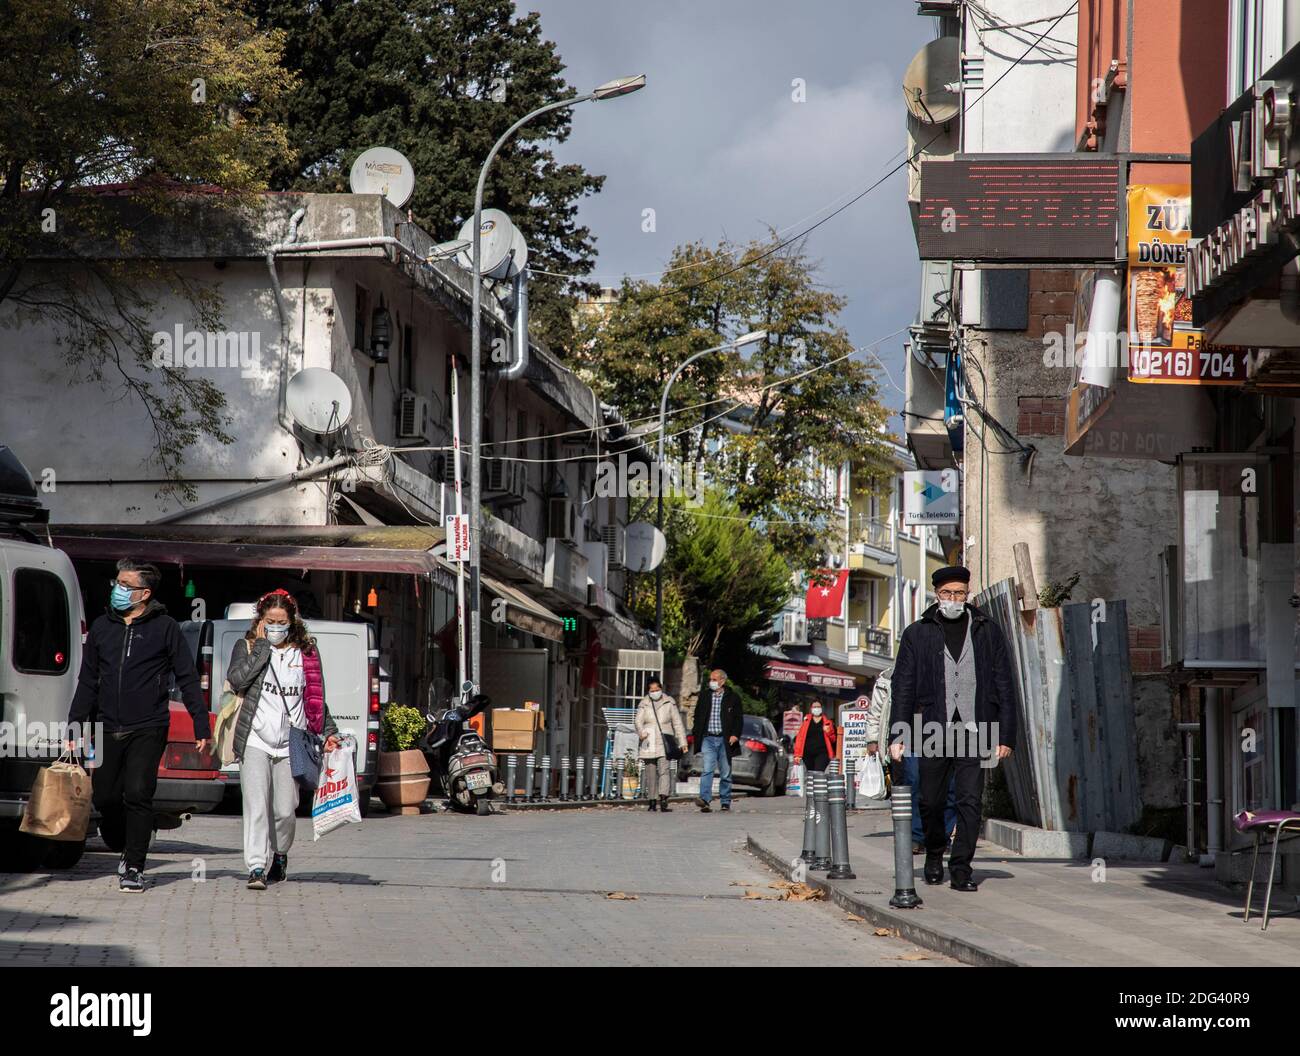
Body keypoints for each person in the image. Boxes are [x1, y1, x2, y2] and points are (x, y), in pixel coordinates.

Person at [68, 558, 212, 893]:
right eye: (116, 583)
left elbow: (188, 679)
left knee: (138, 792)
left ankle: (134, 865)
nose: (117, 589)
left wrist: (200, 726)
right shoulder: (103, 627)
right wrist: (74, 727)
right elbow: (87, 681)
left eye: (125, 585)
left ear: (144, 593)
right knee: (104, 796)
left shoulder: (166, 628)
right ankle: (126, 841)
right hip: (105, 725)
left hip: (148, 725)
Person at [888, 566, 1016, 892]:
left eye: (959, 593)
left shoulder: (987, 631)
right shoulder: (918, 633)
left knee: (970, 801)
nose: (954, 599)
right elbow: (902, 685)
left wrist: (1006, 735)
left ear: (968, 594)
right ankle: (934, 852)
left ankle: (961, 869)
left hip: (976, 728)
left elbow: (1005, 684)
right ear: (937, 595)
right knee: (930, 801)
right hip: (933, 727)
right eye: (948, 593)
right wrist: (898, 734)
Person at [226, 589, 340, 891]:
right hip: (255, 738)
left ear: (292, 622)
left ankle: (280, 854)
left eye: (281, 622)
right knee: (255, 805)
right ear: (260, 620)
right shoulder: (248, 646)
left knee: (284, 810)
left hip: (292, 742)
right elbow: (238, 680)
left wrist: (329, 731)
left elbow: (315, 699)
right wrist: (262, 646)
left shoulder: (306, 654)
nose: (276, 626)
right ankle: (256, 866)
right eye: (270, 621)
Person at [865, 666, 956, 854]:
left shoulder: (942, 667)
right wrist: (873, 740)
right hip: (906, 739)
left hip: (939, 736)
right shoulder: (887, 678)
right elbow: (876, 713)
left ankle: (942, 836)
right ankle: (916, 836)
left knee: (947, 787)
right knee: (912, 783)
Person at [690, 668, 743, 812]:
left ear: (722, 681)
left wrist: (735, 735)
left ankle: (725, 800)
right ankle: (705, 800)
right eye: (711, 679)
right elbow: (697, 715)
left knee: (725, 772)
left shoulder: (733, 698)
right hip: (708, 738)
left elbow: (739, 719)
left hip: (725, 740)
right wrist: (697, 732)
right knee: (707, 769)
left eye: (714, 679)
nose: (711, 682)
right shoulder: (705, 696)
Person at [635, 678, 687, 813]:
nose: (655, 693)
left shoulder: (669, 702)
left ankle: (663, 798)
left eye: (657, 690)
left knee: (664, 770)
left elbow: (677, 724)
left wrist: (683, 742)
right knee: (650, 772)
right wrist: (641, 732)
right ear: (648, 691)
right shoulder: (644, 703)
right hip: (648, 739)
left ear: (661, 688)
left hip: (665, 740)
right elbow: (638, 721)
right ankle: (652, 800)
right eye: (652, 691)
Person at [792, 701, 837, 775]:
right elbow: (800, 738)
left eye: (818, 707)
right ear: (811, 709)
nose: (816, 708)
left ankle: (818, 786)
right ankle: (812, 786)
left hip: (822, 753)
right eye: (814, 707)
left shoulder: (828, 722)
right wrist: (797, 755)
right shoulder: (806, 722)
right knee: (810, 774)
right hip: (807, 753)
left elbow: (833, 739)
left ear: (821, 708)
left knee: (818, 772)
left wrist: (828, 732)